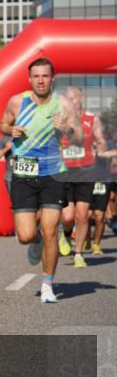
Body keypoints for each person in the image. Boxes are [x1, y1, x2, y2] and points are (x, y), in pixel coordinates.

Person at [0, 57, 81, 303]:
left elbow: (78, 137)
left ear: (52, 78)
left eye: (45, 76)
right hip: (24, 173)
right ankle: (35, 241)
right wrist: (10, 130)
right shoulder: (17, 101)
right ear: (29, 78)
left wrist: (66, 128)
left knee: (50, 230)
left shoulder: (63, 104)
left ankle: (47, 285)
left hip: (53, 173)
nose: (41, 80)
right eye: (36, 76)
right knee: (25, 235)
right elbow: (2, 124)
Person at [58, 86, 107, 268]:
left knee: (83, 215)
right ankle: (66, 233)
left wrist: (101, 142)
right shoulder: (59, 119)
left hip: (86, 171)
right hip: (65, 171)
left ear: (81, 99)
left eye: (74, 98)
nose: (71, 101)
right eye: (68, 98)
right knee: (68, 216)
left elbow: (99, 136)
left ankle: (78, 254)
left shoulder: (92, 118)